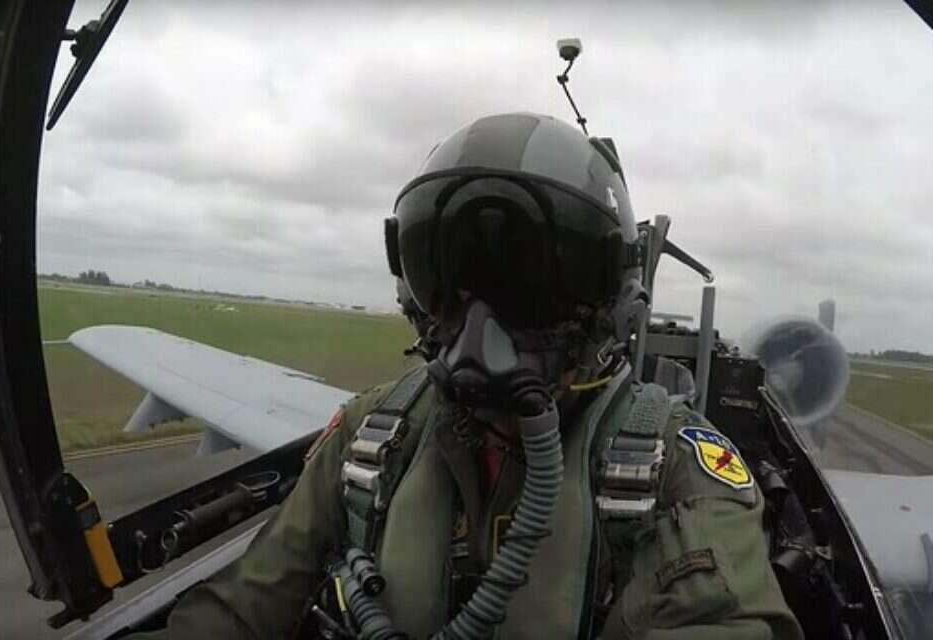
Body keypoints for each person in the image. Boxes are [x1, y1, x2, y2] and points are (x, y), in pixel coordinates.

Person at [144, 113, 803, 639]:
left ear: (611, 303)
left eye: (528, 288)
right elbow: (242, 609)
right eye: (454, 283)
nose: (481, 325)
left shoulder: (675, 474)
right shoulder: (371, 439)